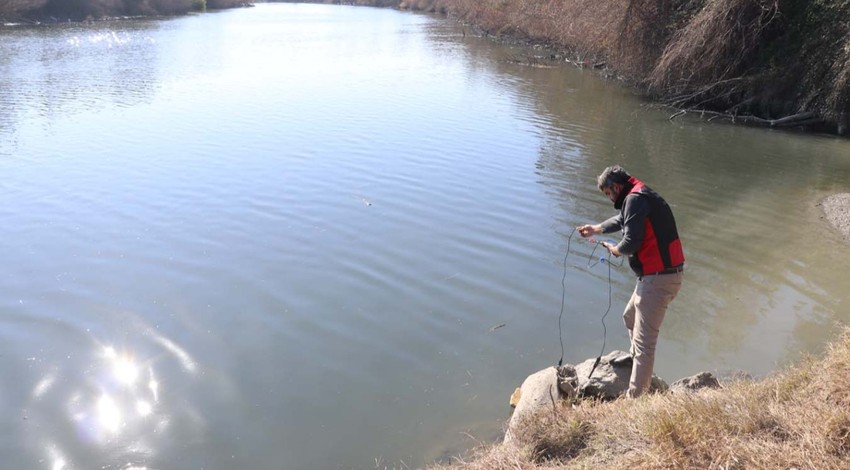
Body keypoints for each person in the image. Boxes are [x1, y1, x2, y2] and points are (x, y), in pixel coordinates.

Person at [578, 165, 685, 398]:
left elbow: (631, 242)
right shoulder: (638, 195)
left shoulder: (635, 199)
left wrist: (615, 250)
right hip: (658, 276)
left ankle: (636, 400)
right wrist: (596, 229)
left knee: (645, 345)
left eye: (608, 193)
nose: (609, 198)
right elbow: (622, 219)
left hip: (659, 279)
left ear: (616, 187)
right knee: (630, 317)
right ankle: (639, 369)